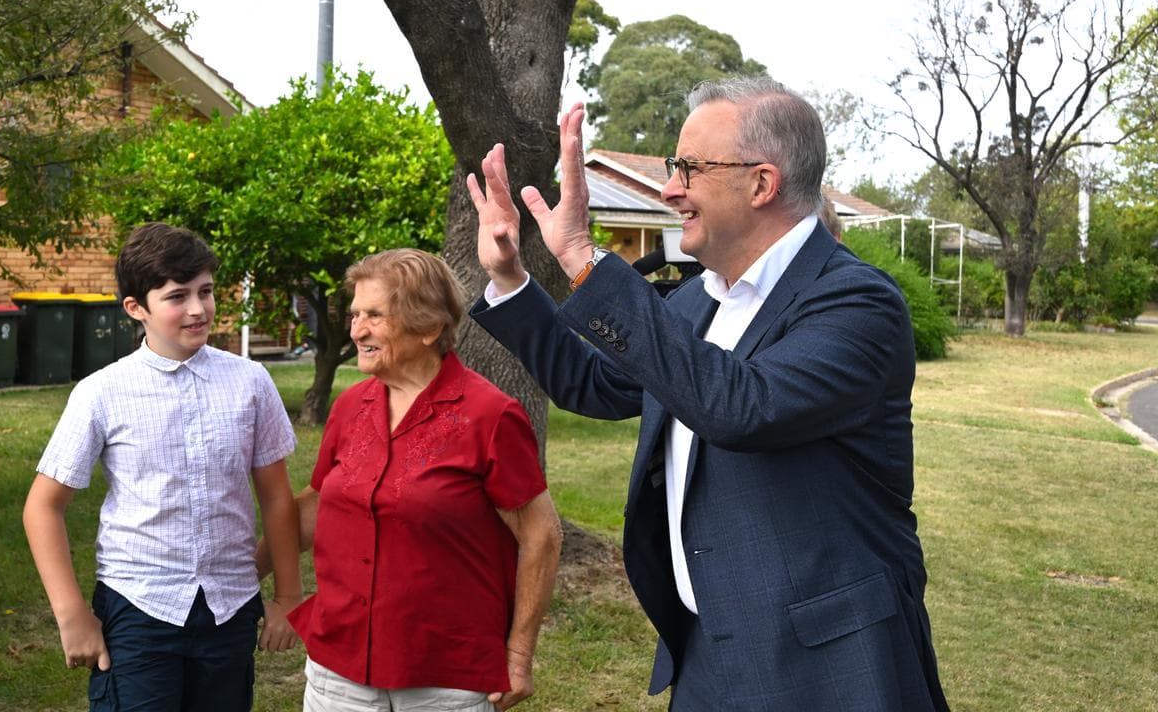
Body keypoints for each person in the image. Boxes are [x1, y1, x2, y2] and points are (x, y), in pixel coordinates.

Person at [466, 77, 949, 711]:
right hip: (708, 657)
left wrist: (587, 260)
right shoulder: (697, 299)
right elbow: (595, 382)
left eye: (690, 168)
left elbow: (741, 408)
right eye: (674, 168)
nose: (670, 189)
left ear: (761, 183)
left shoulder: (856, 302)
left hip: (830, 667)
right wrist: (511, 279)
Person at [260, 248, 562, 712]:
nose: (357, 329)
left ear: (429, 327)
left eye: (375, 316)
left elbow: (540, 534)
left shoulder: (490, 415)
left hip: (445, 675)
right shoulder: (350, 407)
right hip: (339, 667)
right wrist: (237, 577)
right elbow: (318, 508)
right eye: (356, 313)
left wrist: (519, 653)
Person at [23, 222, 303, 711]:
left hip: (229, 610)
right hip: (139, 608)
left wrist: (288, 596)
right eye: (178, 296)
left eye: (206, 291)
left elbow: (277, 497)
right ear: (137, 308)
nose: (197, 309)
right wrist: (72, 615)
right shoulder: (101, 393)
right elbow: (42, 507)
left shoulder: (250, 382)